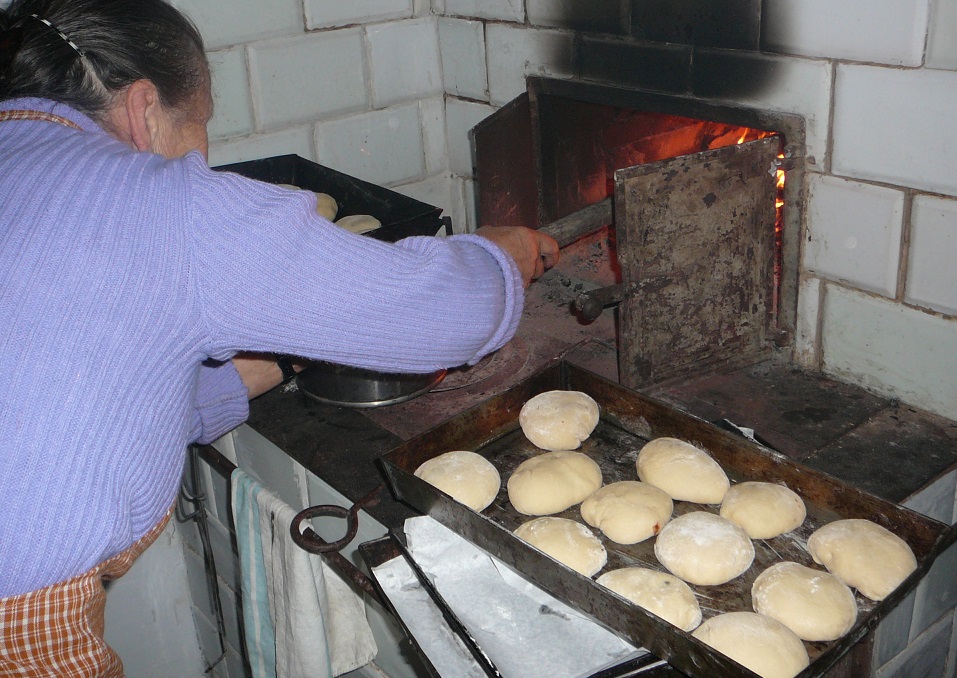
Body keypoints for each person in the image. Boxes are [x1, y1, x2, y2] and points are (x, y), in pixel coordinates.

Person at [0, 0, 559, 673]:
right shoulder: (160, 201)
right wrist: (503, 256)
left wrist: (272, 361)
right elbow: (444, 316)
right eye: (199, 125)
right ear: (145, 108)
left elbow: (65, 378)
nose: (201, 154)